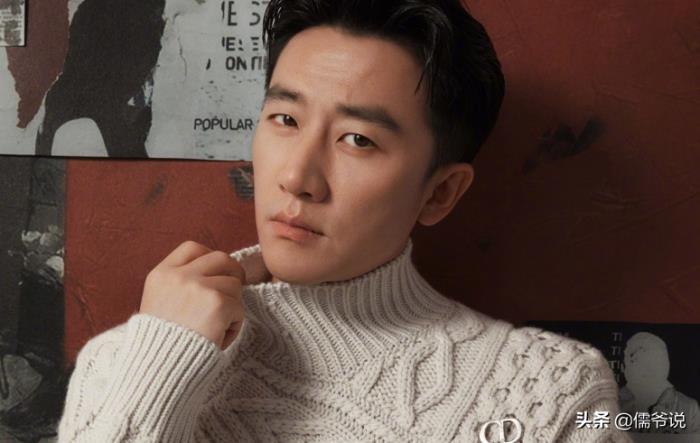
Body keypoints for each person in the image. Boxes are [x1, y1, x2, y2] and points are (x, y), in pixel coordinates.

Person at [57, 0, 633, 441]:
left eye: (358, 139)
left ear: (440, 193)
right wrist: (162, 367)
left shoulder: (549, 393)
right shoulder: (127, 365)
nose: (297, 176)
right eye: (285, 119)